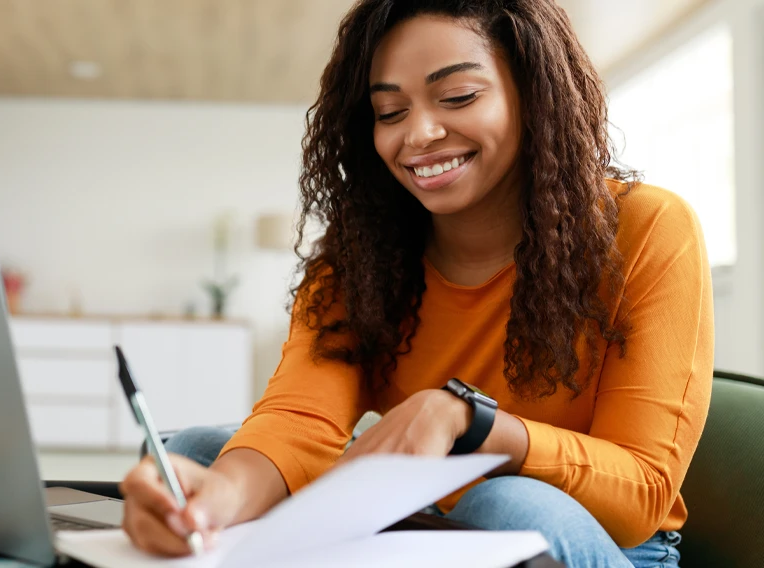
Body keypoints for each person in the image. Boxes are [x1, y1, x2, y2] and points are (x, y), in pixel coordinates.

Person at [119, 1, 713, 566]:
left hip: (603, 543)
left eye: (457, 95)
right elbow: (300, 419)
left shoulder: (648, 228)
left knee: (505, 504)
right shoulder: (362, 257)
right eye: (390, 112)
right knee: (198, 452)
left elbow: (643, 494)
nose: (419, 134)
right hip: (428, 526)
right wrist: (213, 500)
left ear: (533, 95)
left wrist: (471, 422)